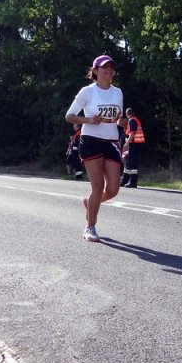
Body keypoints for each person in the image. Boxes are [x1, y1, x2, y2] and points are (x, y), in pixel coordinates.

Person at [65, 55, 123, 242]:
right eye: (104, 68)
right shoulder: (87, 92)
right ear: (96, 71)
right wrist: (89, 120)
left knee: (113, 189)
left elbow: (116, 118)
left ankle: (90, 202)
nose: (108, 71)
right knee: (97, 186)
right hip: (91, 140)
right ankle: (90, 227)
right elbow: (69, 116)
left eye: (111, 68)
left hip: (112, 141)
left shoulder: (118, 92)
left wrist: (121, 121)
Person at [121, 107, 145, 188]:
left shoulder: (131, 120)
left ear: (126, 114)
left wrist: (126, 144)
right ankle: (124, 181)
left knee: (132, 163)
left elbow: (133, 133)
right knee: (128, 162)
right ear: (133, 113)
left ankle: (133, 183)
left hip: (134, 144)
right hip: (135, 144)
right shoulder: (134, 120)